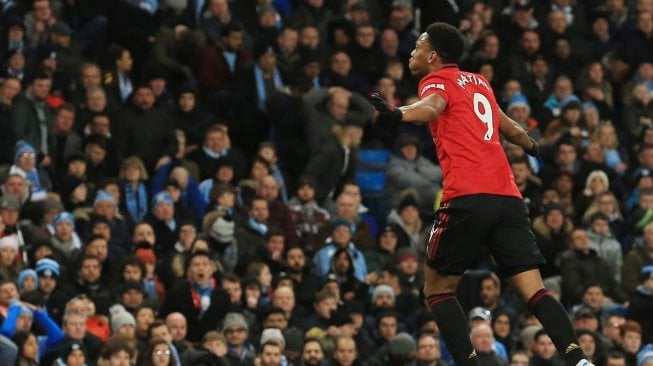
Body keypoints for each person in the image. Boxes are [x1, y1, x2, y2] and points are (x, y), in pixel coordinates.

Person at [370, 22, 591, 366]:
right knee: (534, 289)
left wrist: (399, 112)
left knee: (437, 289)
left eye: (417, 46)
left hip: (467, 196)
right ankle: (578, 359)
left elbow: (431, 106)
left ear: (432, 55)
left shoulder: (435, 80)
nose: (411, 52)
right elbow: (508, 126)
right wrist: (531, 144)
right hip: (508, 196)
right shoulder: (480, 82)